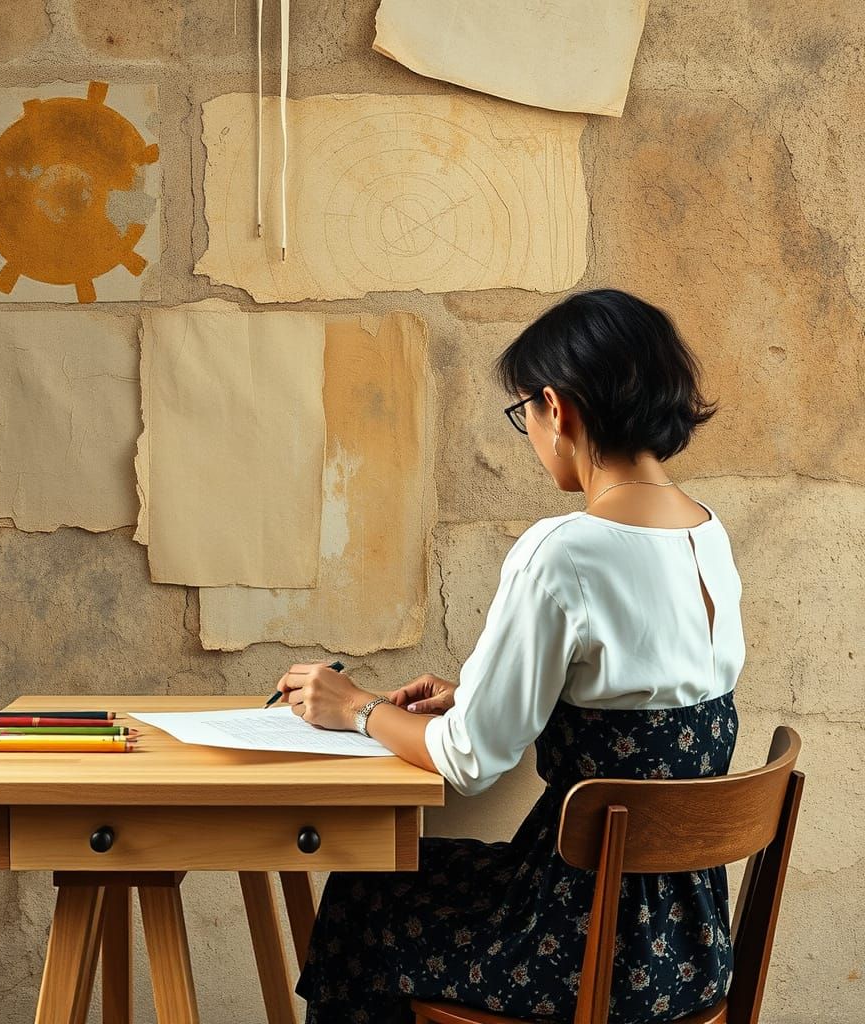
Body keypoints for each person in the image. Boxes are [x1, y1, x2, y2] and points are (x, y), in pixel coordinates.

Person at [276, 288, 745, 1024]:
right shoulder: (706, 534)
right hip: (689, 946)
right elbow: (640, 708)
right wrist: (478, 691)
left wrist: (355, 707)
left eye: (522, 410)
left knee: (367, 893)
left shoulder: (564, 551)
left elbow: (469, 762)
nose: (527, 430)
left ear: (558, 409)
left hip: (580, 945)